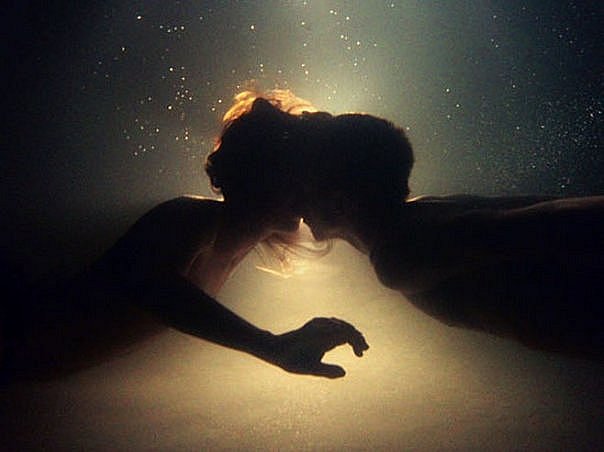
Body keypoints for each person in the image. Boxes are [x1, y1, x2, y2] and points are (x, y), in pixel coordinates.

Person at [0, 90, 369, 382]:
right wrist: (271, 346)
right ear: (260, 176)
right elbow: (151, 287)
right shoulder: (189, 218)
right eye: (296, 179)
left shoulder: (237, 245)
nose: (306, 194)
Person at [290, 105, 604, 358]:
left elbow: (550, 222)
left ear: (341, 201)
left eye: (305, 187)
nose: (296, 202)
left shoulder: (398, 253)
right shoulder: (419, 216)